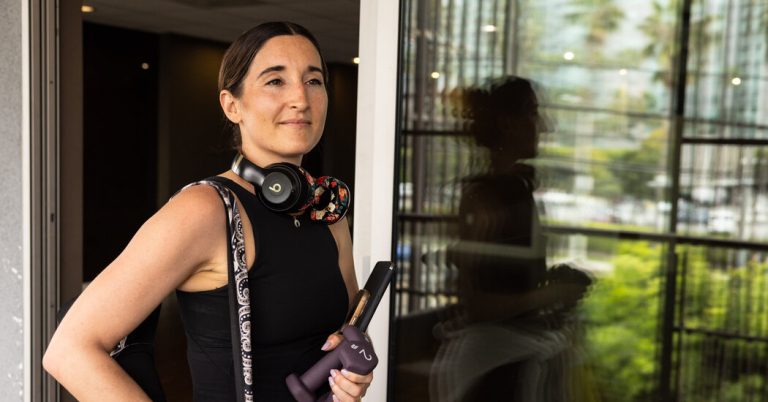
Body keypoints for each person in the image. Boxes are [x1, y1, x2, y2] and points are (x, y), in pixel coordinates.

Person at [43, 21, 373, 401]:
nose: (301, 97)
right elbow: (70, 350)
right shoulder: (207, 210)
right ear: (232, 105)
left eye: (314, 80)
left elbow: (338, 336)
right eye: (275, 81)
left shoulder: (325, 209)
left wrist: (349, 376)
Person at [429, 76, 593, 402]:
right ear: (508, 123)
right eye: (533, 113)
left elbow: (503, 279)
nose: (544, 126)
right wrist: (547, 295)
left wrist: (550, 285)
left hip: (510, 362)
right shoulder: (485, 200)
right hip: (493, 369)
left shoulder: (515, 191)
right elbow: (478, 306)